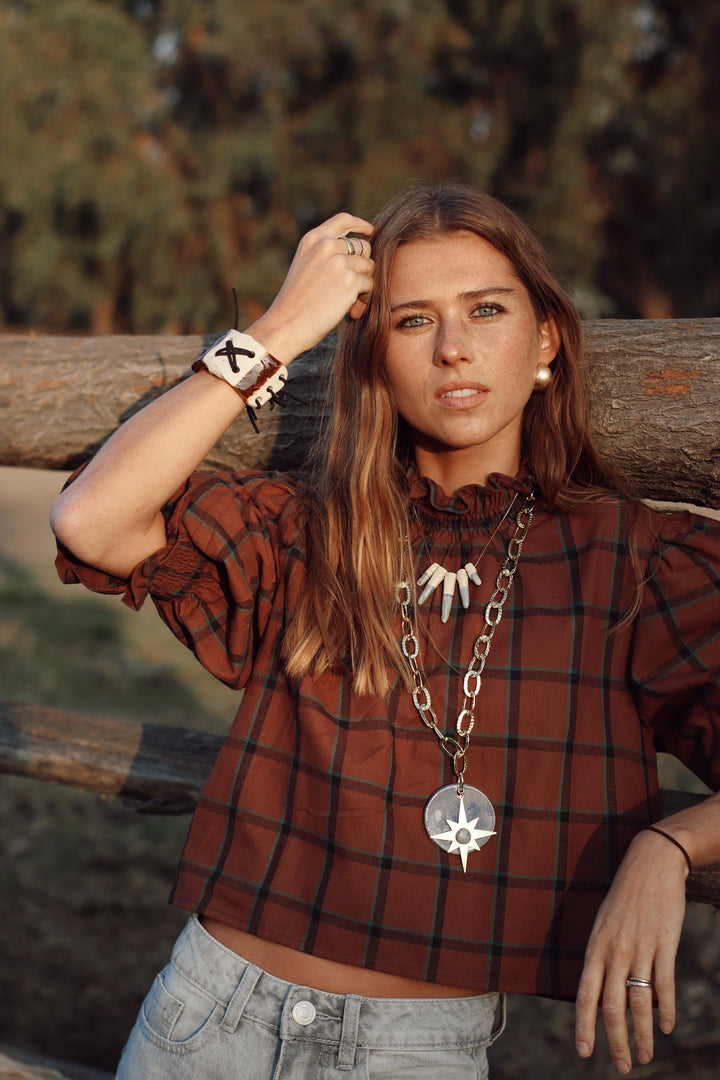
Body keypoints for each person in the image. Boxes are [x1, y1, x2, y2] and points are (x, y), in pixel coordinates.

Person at [51, 181, 720, 1079]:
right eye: (412, 321)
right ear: (377, 359)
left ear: (546, 340)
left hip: (415, 1054)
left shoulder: (635, 562)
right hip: (208, 1018)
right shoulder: (307, 532)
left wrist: (670, 845)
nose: (453, 348)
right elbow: (92, 520)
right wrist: (280, 329)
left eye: (487, 309)